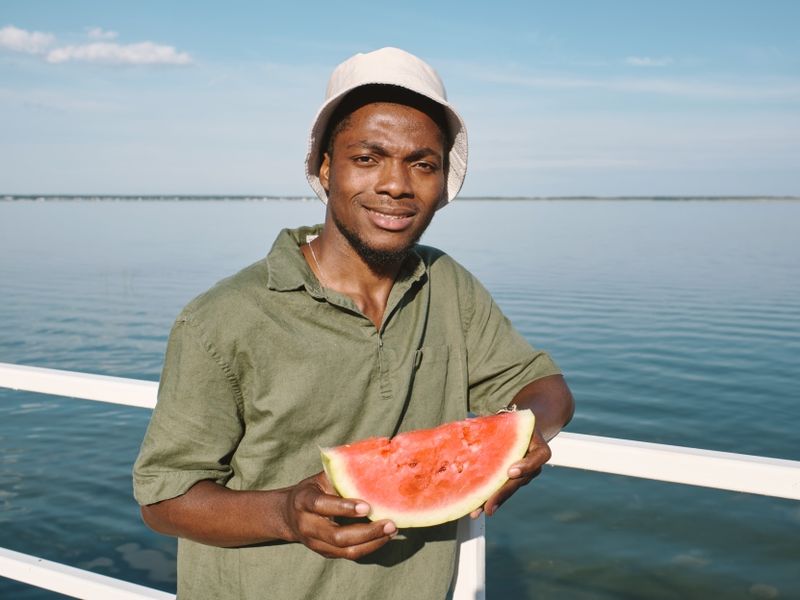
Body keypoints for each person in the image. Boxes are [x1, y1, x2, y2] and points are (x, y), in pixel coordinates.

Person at [133, 47, 574, 600]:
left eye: (423, 163)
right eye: (368, 158)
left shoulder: (447, 285)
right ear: (324, 167)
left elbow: (544, 387)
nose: (397, 185)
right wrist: (284, 514)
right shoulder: (223, 318)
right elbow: (163, 501)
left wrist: (521, 438)